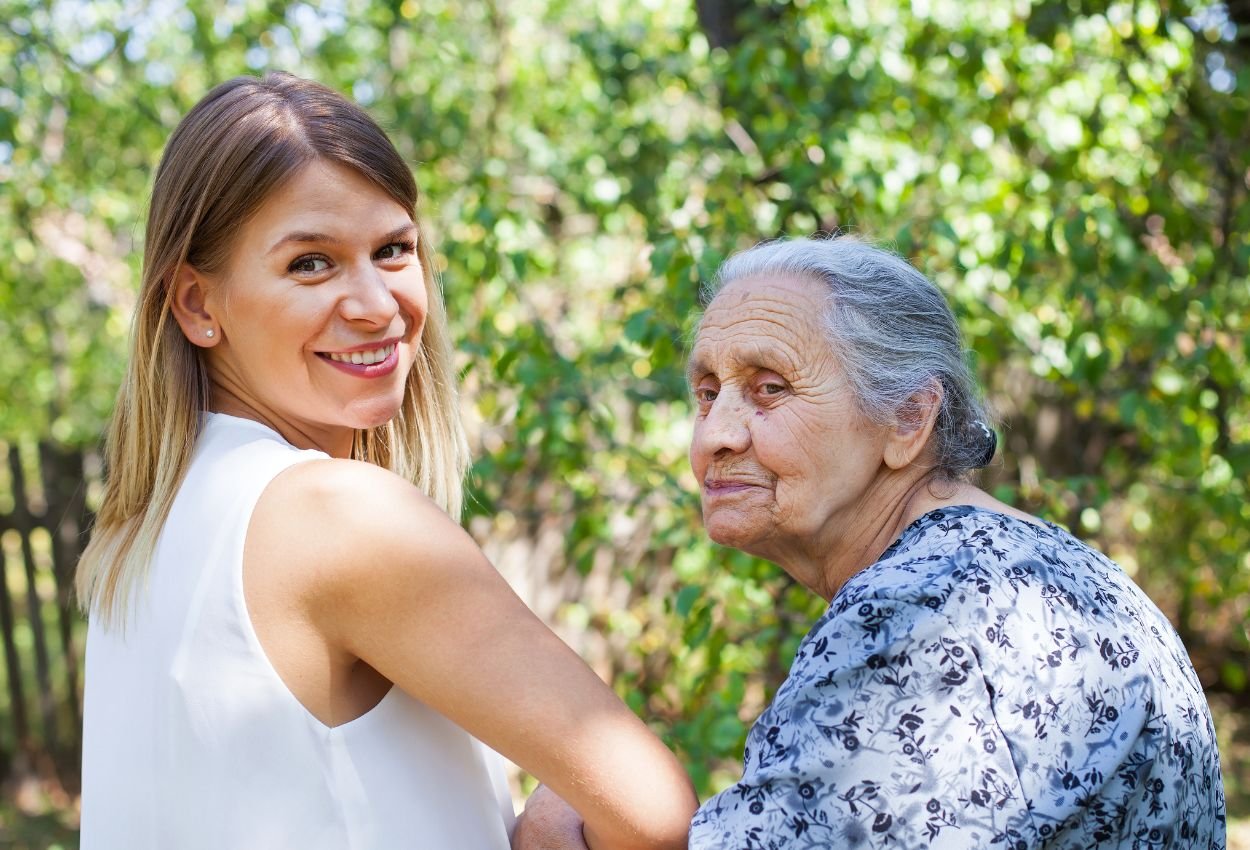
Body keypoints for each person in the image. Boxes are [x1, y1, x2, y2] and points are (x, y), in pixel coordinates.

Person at [76, 72, 696, 850]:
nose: (376, 304)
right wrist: (553, 815)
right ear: (198, 305)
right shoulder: (335, 515)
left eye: (393, 249)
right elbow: (655, 809)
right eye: (311, 263)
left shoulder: (140, 537)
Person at [684, 236, 1226, 849]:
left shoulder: (927, 606)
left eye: (769, 388)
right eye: (707, 393)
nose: (715, 436)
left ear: (909, 418)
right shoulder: (1038, 568)